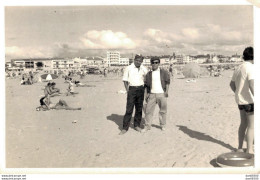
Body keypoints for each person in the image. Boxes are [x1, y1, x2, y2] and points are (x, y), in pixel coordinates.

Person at [230, 47, 254, 154]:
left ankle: (239, 148)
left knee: (243, 124)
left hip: (240, 101)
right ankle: (249, 150)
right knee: (251, 126)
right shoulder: (251, 68)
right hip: (249, 101)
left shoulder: (238, 68)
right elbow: (252, 85)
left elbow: (231, 84)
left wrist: (238, 93)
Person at [119, 54, 148, 135]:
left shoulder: (143, 68)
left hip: (141, 89)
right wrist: (128, 91)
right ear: (134, 60)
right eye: (137, 60)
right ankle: (125, 128)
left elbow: (147, 77)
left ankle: (136, 125)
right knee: (129, 109)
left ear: (142, 62)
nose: (138, 62)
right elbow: (125, 80)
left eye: (140, 61)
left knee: (139, 109)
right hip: (131, 89)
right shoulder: (129, 68)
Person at [142, 57, 170, 132]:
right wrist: (146, 95)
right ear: (151, 64)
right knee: (148, 111)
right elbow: (146, 86)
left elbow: (167, 82)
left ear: (158, 63)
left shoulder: (163, 72)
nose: (154, 64)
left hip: (161, 94)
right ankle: (147, 126)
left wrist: (166, 91)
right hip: (152, 94)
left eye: (156, 62)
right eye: (153, 63)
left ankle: (163, 125)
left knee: (163, 111)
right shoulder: (148, 74)